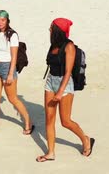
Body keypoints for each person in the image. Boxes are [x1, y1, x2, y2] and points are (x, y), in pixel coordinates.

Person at [36, 18, 95, 162]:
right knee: (49, 120)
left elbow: (68, 71)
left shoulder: (69, 46)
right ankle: (50, 153)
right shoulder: (53, 45)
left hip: (65, 84)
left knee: (65, 121)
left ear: (57, 30)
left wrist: (60, 92)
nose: (49, 30)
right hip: (51, 82)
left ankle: (85, 139)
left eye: (51, 27)